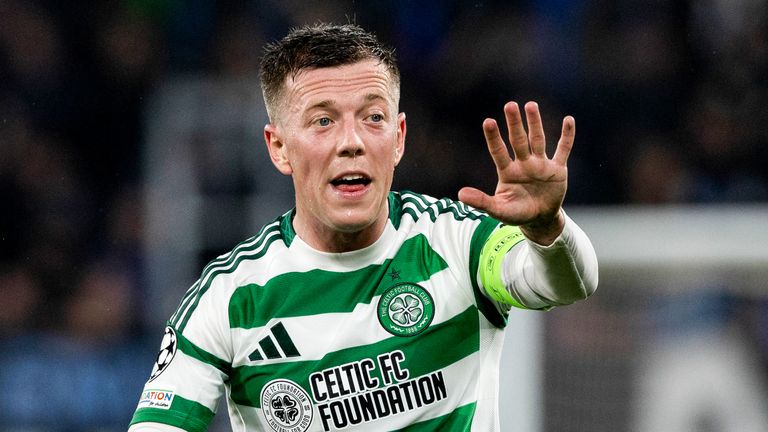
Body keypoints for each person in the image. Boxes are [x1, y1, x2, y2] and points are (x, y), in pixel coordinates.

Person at [128, 23, 598, 432]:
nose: (351, 142)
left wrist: (546, 227)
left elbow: (566, 284)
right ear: (279, 148)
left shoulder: (459, 242)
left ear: (398, 139)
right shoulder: (229, 298)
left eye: (373, 118)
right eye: (323, 121)